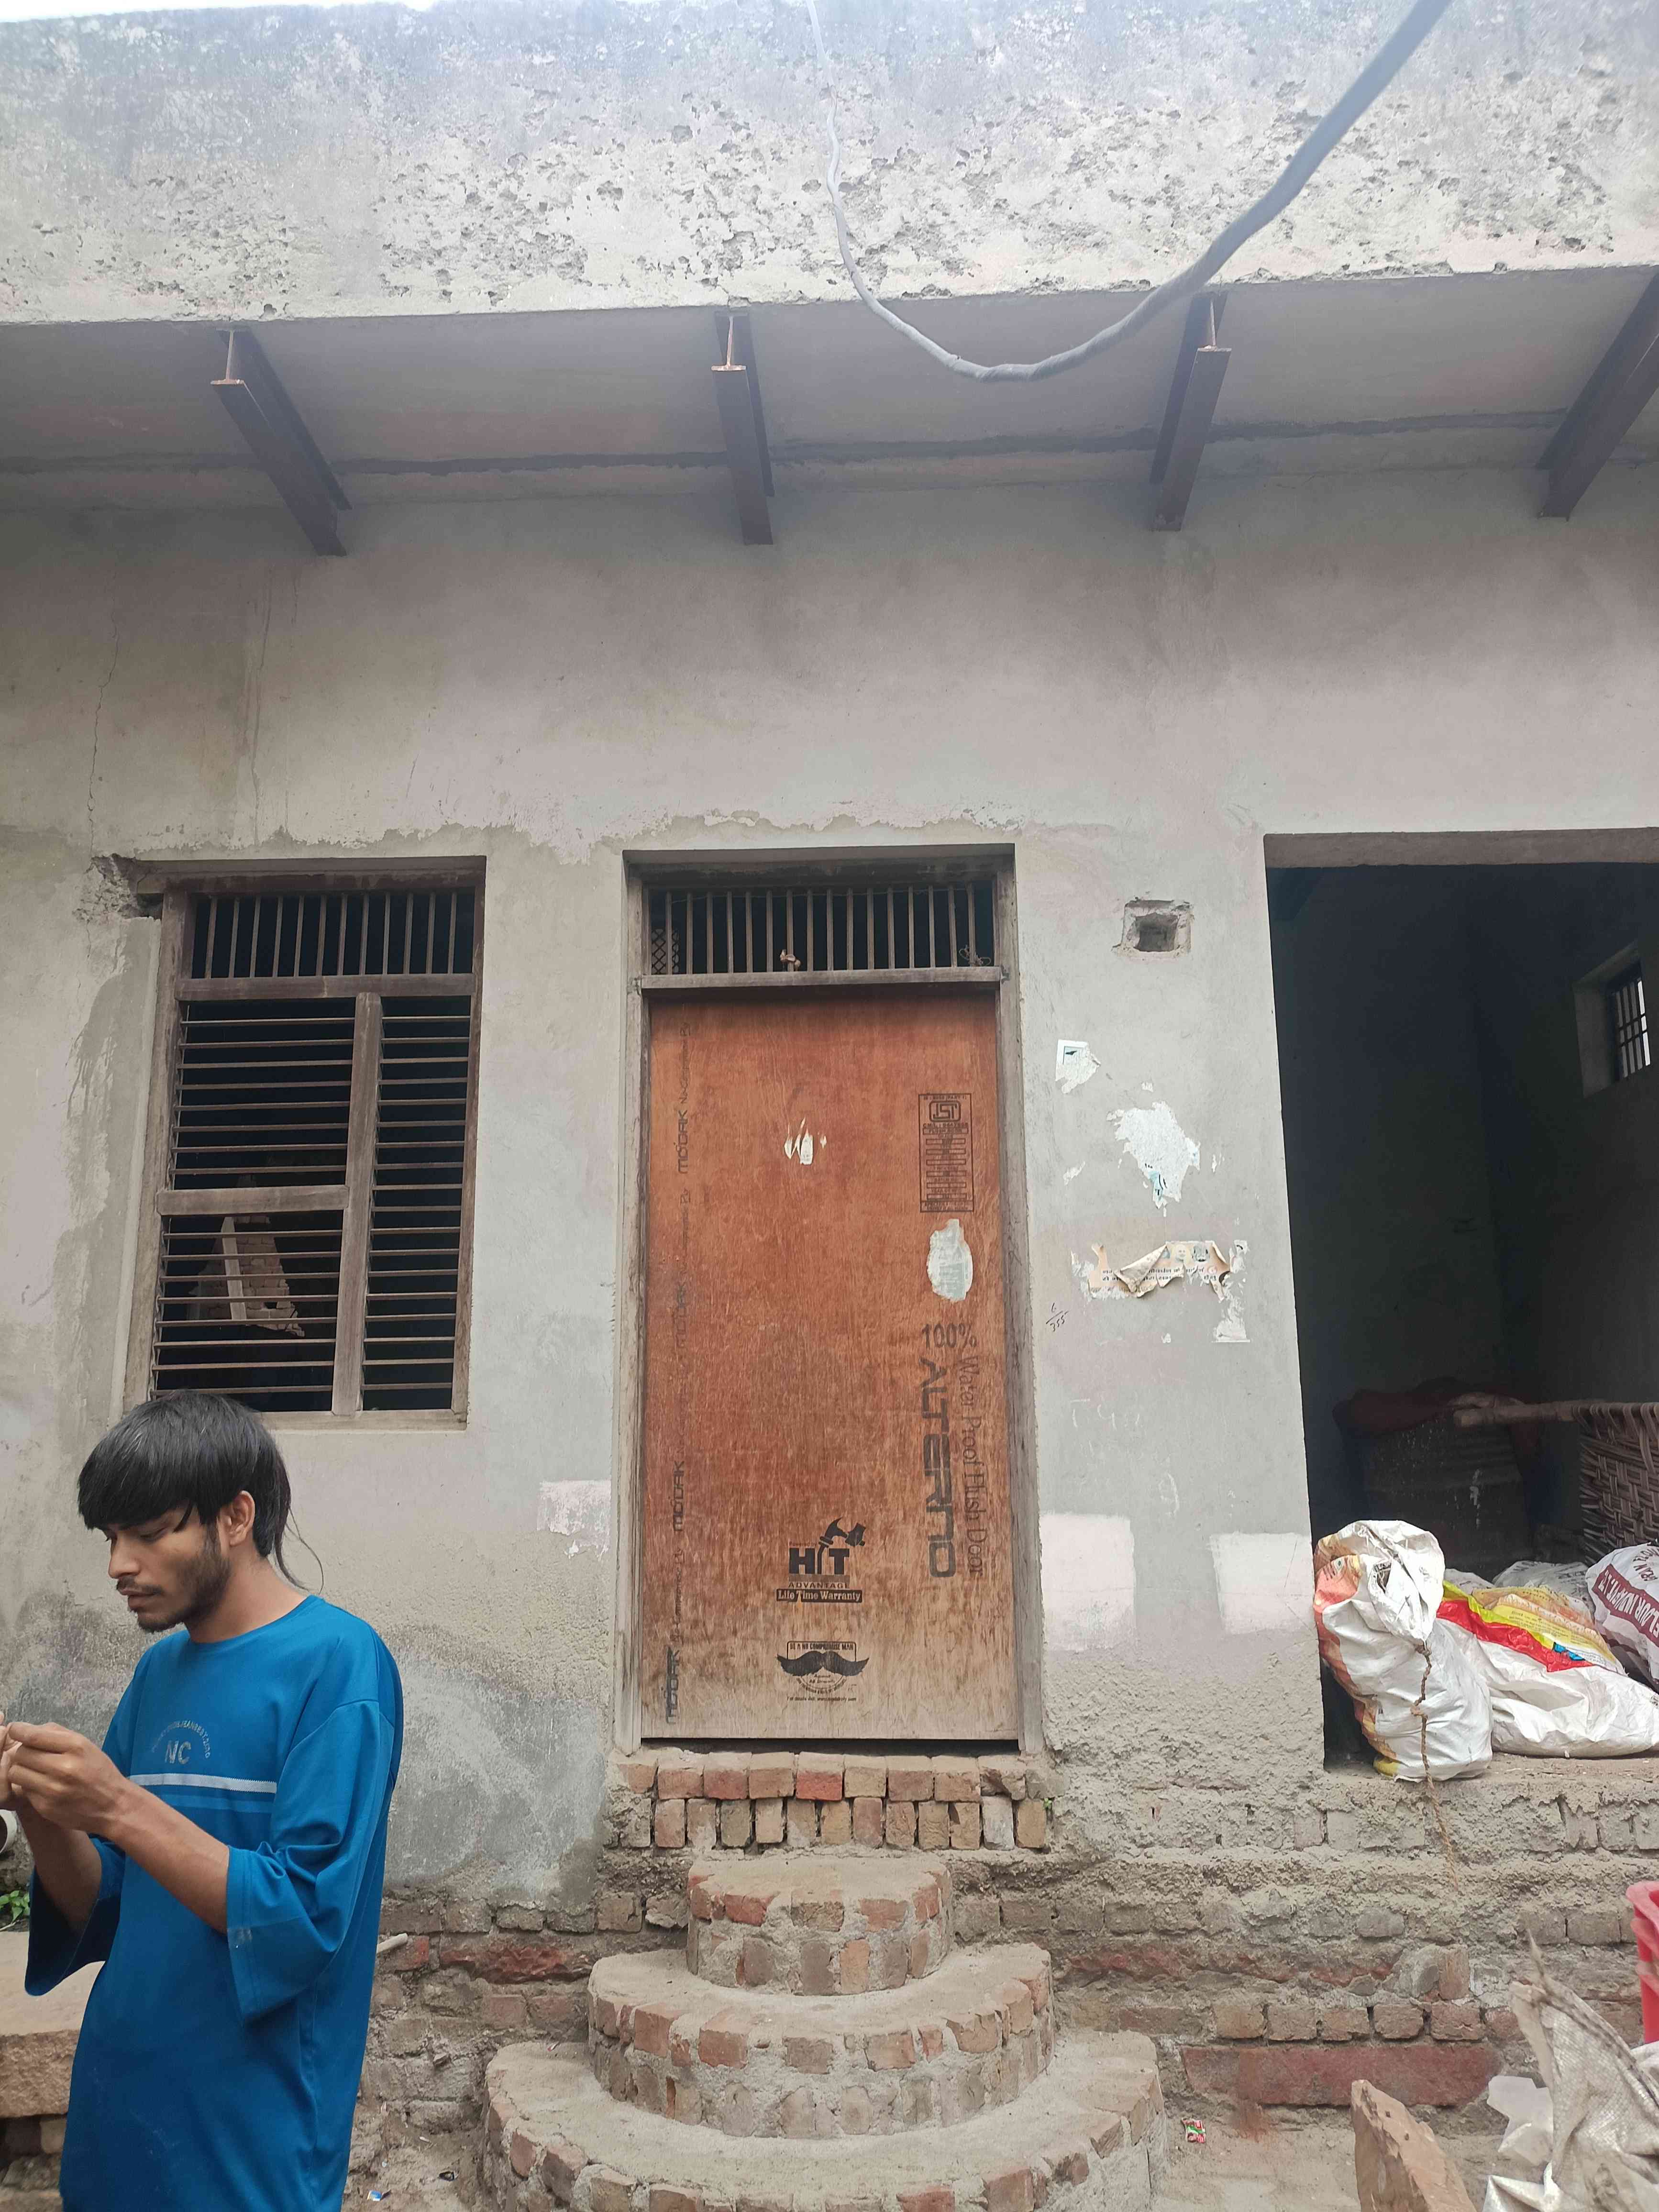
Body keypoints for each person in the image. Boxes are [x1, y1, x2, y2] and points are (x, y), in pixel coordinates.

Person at [0, 1393, 403, 2212]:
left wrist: (117, 1804)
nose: (119, 1564)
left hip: (251, 2139)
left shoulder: (339, 1666)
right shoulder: (159, 1672)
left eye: (149, 1533)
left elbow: (300, 1915)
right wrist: (41, 1805)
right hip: (121, 2112)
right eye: (111, 1537)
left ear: (235, 1517)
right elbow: (104, 1904)